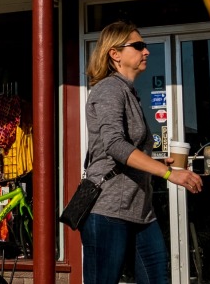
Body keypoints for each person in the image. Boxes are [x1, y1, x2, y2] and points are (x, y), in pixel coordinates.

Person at [82, 20, 203, 284]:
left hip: (140, 210)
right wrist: (168, 173)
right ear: (115, 54)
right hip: (108, 209)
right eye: (138, 46)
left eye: (145, 46)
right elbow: (114, 145)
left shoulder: (129, 92)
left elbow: (128, 148)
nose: (146, 51)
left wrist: (158, 160)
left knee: (157, 277)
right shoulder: (109, 89)